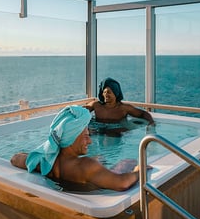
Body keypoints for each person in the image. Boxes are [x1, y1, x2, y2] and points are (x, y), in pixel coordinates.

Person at [10, 105, 147, 191]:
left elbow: (15, 158)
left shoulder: (47, 162)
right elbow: (122, 183)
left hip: (70, 184)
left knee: (102, 160)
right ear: (71, 138)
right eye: (86, 136)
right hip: (95, 190)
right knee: (130, 163)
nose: (90, 141)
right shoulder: (86, 165)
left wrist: (40, 155)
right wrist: (139, 171)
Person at [84, 77, 155, 126]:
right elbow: (82, 110)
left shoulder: (123, 108)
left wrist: (151, 123)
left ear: (116, 93)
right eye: (104, 92)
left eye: (109, 92)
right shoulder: (96, 105)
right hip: (98, 130)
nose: (106, 95)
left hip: (115, 133)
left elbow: (143, 114)